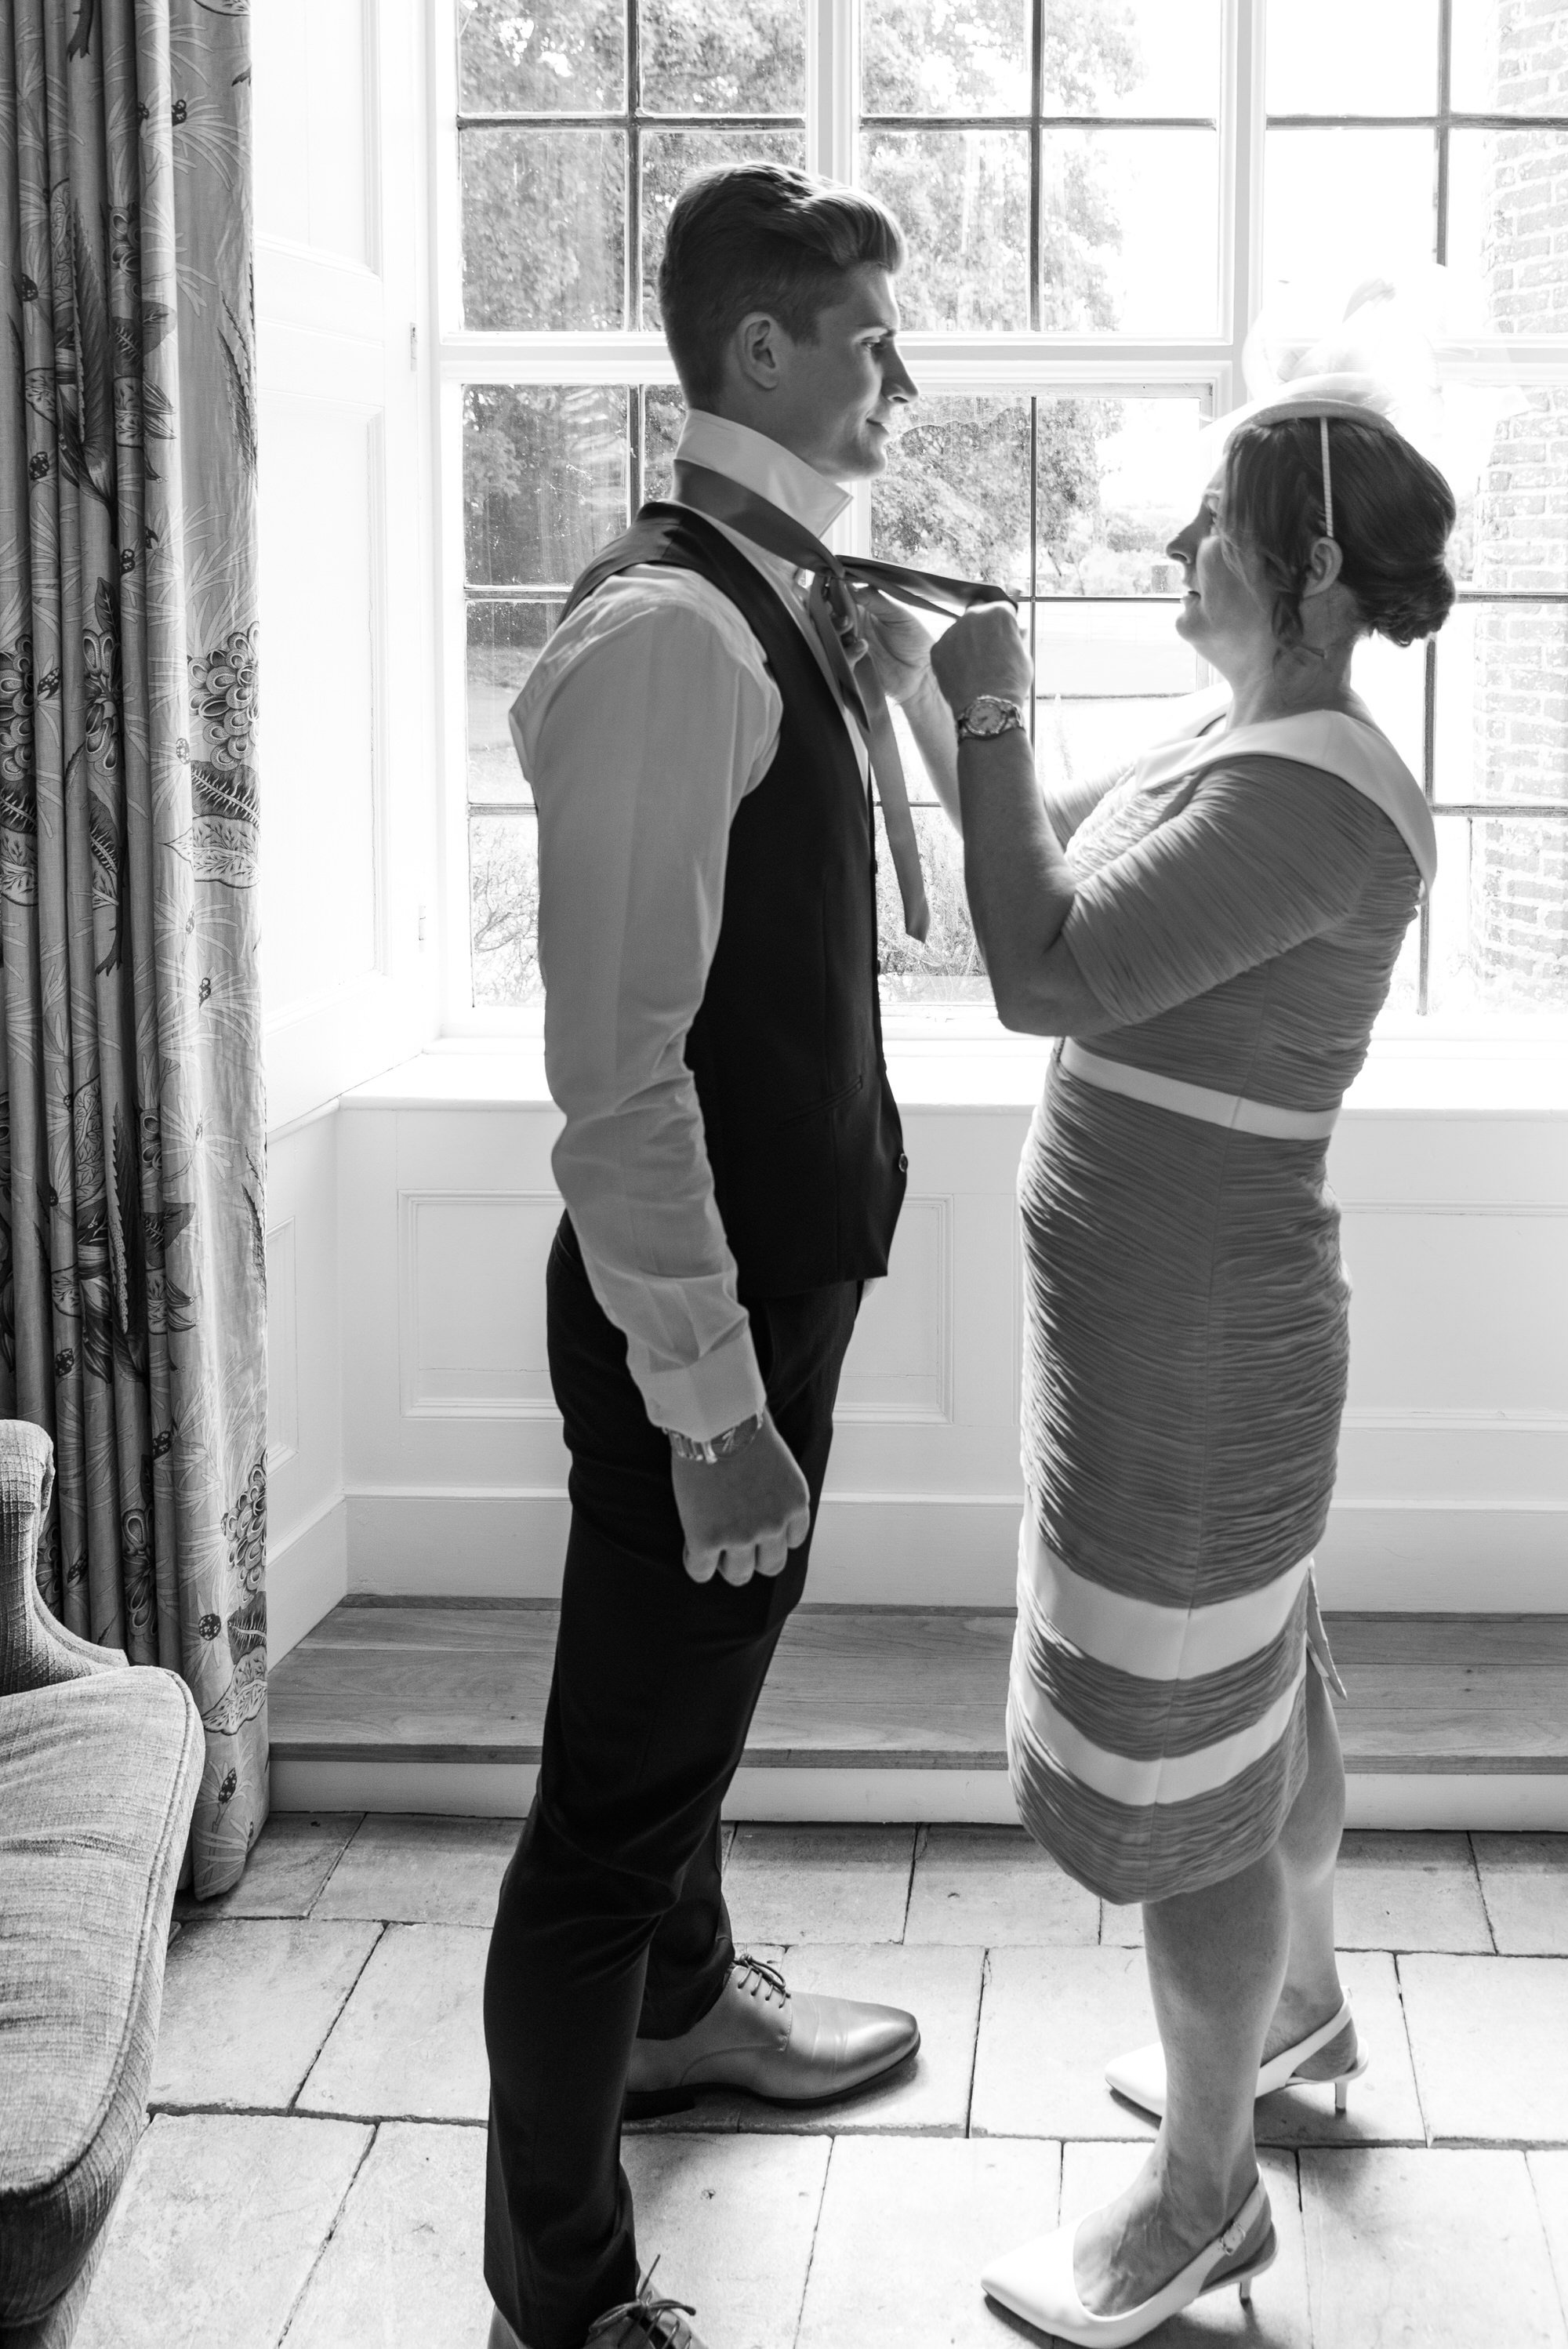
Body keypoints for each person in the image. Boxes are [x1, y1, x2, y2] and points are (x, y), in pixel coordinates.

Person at [481, 164, 991, 2349]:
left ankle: (688, 2014)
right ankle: (561, 2293)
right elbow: (617, 1069)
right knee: (608, 1807)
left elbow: (868, 924)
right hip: (704, 1319)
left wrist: (909, 700)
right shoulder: (673, 636)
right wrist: (710, 1405)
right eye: (875, 340)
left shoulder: (768, 606)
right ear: (765, 349)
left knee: (686, 1736)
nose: (904, 376)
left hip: (780, 1281)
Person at [918, 390, 1454, 2344]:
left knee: (1193, 1781)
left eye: (1202, 528)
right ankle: (1298, 2022)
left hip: (1201, 1354)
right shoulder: (1250, 738)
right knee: (1261, 1696)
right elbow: (1037, 859)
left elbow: (1037, 967)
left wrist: (980, 705)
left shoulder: (1314, 792)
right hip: (1172, 1334)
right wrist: (934, 688)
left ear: (1304, 565)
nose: (1172, 556)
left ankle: (1209, 2197)